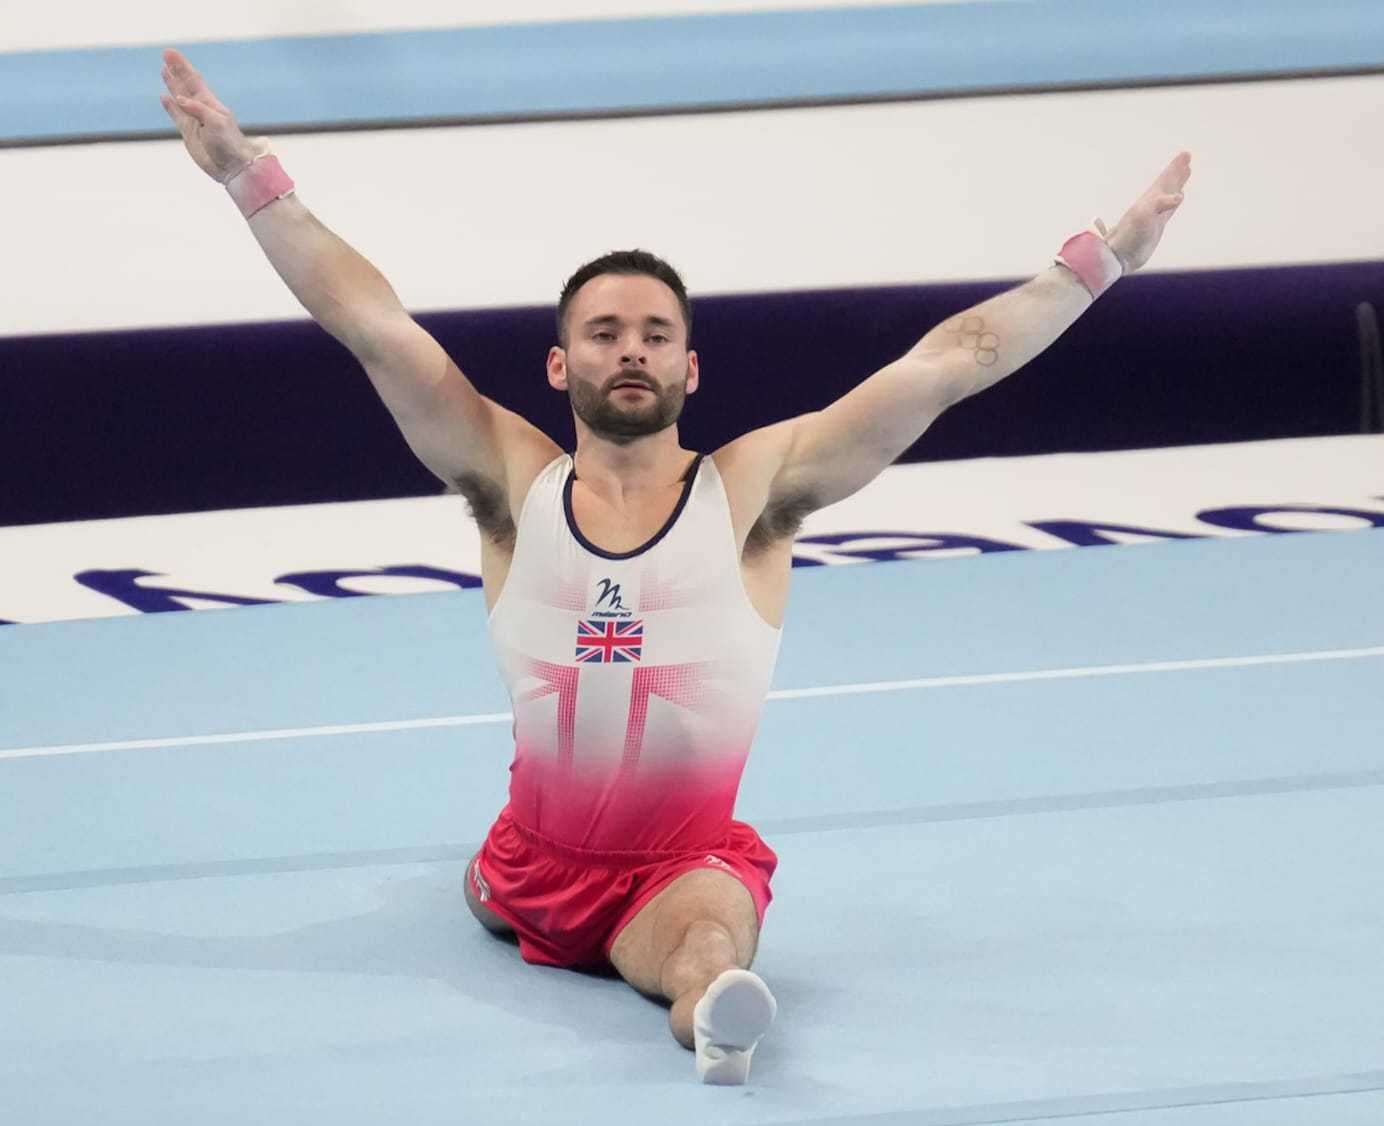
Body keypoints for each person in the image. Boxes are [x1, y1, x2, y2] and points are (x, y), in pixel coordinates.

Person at [159, 46, 1190, 1084]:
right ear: (561, 364)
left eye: (656, 334)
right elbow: (371, 323)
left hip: (675, 872)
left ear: (690, 366)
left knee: (704, 941)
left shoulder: (753, 493)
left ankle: (715, 1014)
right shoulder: (510, 483)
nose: (632, 351)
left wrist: (1102, 258)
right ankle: (567, 914)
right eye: (603, 333)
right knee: (494, 884)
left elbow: (948, 362)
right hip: (520, 864)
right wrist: (251, 179)